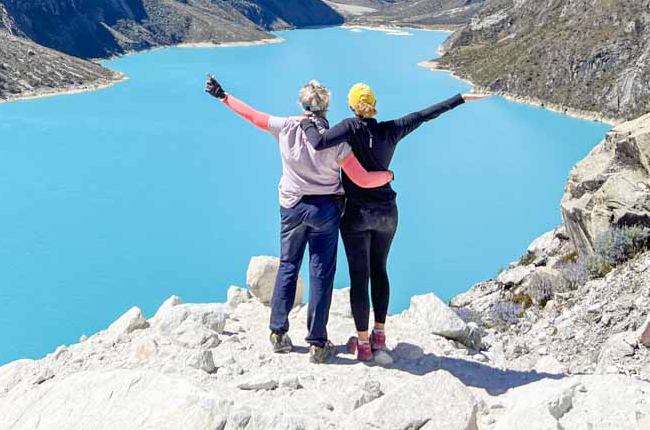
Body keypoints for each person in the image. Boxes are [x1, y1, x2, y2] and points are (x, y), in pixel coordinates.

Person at [204, 73, 392, 363]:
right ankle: (317, 342)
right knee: (321, 273)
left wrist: (223, 96)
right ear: (326, 108)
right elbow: (363, 179)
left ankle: (278, 333)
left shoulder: (285, 127)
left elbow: (252, 116)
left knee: (289, 265)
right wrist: (387, 176)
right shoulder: (337, 142)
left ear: (302, 105)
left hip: (291, 208)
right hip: (325, 212)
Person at [300, 83, 489, 361]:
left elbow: (318, 142)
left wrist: (306, 121)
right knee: (380, 270)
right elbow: (426, 114)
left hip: (355, 214)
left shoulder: (349, 127)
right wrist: (460, 98)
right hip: (387, 213)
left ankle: (363, 344)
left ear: (353, 106)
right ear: (374, 105)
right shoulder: (393, 129)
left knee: (359, 277)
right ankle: (380, 334)